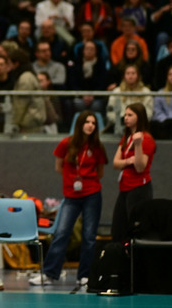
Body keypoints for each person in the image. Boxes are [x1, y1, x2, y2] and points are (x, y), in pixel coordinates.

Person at [29, 111, 108, 287]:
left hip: (92, 195)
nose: (90, 125)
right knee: (61, 232)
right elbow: (59, 167)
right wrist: (73, 179)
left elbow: (100, 172)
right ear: (80, 124)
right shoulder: (66, 143)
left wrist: (87, 181)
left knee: (89, 236)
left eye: (93, 123)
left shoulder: (97, 147)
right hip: (71, 196)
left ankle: (85, 276)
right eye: (87, 122)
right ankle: (49, 274)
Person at [111, 103, 156, 243]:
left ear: (139, 117)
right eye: (125, 115)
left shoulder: (146, 139)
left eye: (130, 115)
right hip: (125, 187)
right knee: (118, 229)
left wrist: (137, 145)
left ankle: (135, 256)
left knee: (136, 230)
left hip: (139, 188)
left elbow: (140, 167)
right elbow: (115, 163)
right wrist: (127, 161)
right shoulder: (126, 137)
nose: (126, 118)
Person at [107, 64, 153, 135]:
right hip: (120, 124)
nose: (130, 76)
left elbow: (149, 112)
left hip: (140, 126)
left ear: (138, 76)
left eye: (133, 73)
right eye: (128, 73)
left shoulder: (146, 92)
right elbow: (110, 112)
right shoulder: (116, 92)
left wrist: (137, 121)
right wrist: (120, 121)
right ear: (124, 76)